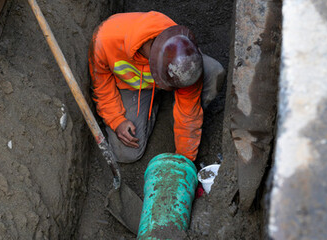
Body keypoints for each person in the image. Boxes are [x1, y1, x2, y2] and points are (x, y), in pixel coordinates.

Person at [88, 11, 225, 163]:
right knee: (126, 154)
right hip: (134, 88)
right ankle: (154, 104)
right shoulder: (105, 39)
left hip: (169, 77)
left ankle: (176, 115)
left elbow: (189, 114)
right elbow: (101, 86)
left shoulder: (183, 56)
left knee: (213, 72)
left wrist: (185, 161)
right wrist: (116, 120)